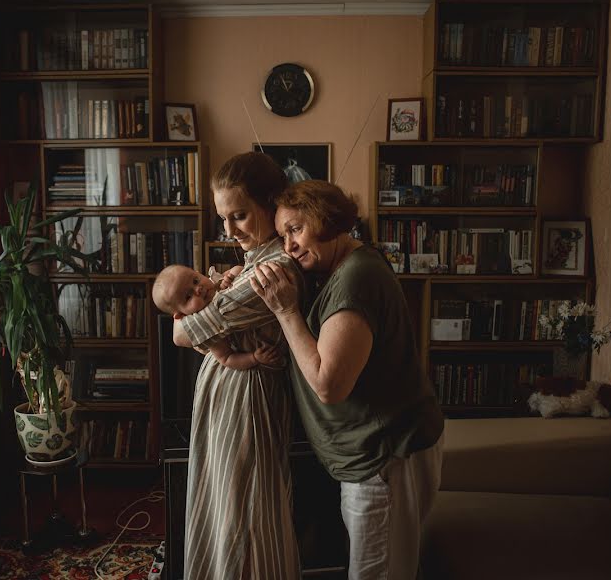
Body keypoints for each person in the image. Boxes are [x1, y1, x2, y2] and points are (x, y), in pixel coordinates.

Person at [251, 180, 445, 580]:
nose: (288, 245)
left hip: (382, 458)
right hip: (373, 457)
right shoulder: (340, 267)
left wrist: (286, 312)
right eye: (282, 233)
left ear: (324, 220)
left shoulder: (356, 278)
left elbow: (328, 384)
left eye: (295, 229)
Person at [171, 152, 302, 579]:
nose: (228, 231)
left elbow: (183, 334)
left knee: (243, 515)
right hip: (227, 398)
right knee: (223, 507)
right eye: (223, 218)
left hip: (246, 402)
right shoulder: (251, 264)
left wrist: (186, 326)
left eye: (240, 215)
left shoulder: (273, 269)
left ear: (271, 204)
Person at [152, 263, 281, 370]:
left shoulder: (216, 282)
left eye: (195, 280)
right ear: (181, 315)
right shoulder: (206, 327)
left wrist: (230, 279)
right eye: (188, 296)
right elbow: (227, 359)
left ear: (198, 272)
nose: (198, 289)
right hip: (260, 353)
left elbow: (240, 270)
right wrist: (254, 358)